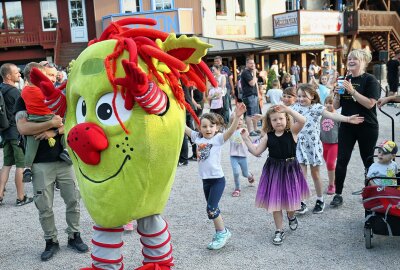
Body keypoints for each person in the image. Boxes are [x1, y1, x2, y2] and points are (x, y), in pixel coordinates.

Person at [15, 93, 89, 261]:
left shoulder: (58, 96)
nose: (50, 78)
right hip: (40, 162)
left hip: (65, 160)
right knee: (44, 206)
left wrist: (53, 131)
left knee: (73, 200)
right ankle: (51, 241)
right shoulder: (24, 99)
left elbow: (72, 122)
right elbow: (23, 128)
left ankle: (74, 236)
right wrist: (51, 124)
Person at [241, 104, 309, 245]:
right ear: (270, 122)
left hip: (290, 171)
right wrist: (246, 139)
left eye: (281, 118)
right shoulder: (268, 136)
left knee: (291, 205)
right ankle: (279, 230)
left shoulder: (293, 132)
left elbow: (303, 121)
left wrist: (288, 110)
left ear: (286, 119)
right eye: (274, 119)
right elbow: (256, 151)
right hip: (274, 171)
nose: (278, 121)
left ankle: (291, 217)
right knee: (275, 203)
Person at [293, 83, 364, 214]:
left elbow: (333, 115)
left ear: (312, 96)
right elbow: (284, 116)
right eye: (299, 96)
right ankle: (301, 202)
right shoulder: (295, 107)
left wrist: (348, 119)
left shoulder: (317, 107)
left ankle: (320, 200)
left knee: (315, 174)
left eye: (304, 96)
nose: (301, 99)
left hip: (313, 145)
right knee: (301, 175)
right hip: (300, 145)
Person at [185, 103, 246, 250]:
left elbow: (231, 132)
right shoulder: (197, 138)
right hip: (206, 181)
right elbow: (183, 126)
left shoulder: (218, 139)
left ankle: (222, 233)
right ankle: (221, 232)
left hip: (218, 180)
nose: (208, 129)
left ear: (217, 128)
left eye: (211, 126)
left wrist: (237, 117)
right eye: (204, 126)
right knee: (212, 208)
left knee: (211, 209)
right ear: (199, 128)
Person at [330, 49, 381, 207]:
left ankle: (371, 191)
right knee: (342, 160)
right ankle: (338, 194)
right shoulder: (344, 79)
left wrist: (352, 91)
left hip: (367, 126)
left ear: (363, 62)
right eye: (349, 58)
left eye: (355, 59)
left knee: (367, 160)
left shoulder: (370, 80)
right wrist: (337, 94)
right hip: (347, 125)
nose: (350, 61)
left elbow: (370, 103)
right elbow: (336, 106)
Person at [20, 63, 71, 183]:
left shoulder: (24, 92)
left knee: (32, 142)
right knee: (64, 127)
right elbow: (53, 95)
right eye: (48, 75)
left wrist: (53, 132)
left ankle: (27, 167)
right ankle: (66, 150)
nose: (50, 79)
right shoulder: (42, 91)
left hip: (33, 118)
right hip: (50, 117)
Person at [0, 63, 33, 206]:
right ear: (8, 76)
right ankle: (21, 197)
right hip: (16, 133)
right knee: (20, 165)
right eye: (16, 72)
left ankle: (0, 194)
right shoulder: (14, 92)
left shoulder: (1, 89)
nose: (19, 74)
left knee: (6, 165)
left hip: (5, 132)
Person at [229, 113, 255, 197]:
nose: (239, 121)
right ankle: (237, 188)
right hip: (233, 156)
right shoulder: (230, 131)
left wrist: (253, 149)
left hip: (243, 156)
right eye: (236, 120)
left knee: (245, 174)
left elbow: (249, 141)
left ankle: (250, 176)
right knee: (236, 173)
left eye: (241, 119)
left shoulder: (244, 130)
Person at [320, 95, 340, 195]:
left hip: (334, 144)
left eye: (331, 103)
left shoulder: (337, 116)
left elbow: (342, 131)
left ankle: (332, 184)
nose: (328, 105)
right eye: (326, 103)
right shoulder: (322, 115)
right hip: (323, 143)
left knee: (330, 163)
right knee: (329, 163)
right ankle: (336, 178)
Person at [241, 58, 260, 136]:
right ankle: (250, 131)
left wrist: (258, 94)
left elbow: (255, 85)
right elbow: (252, 83)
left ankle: (255, 129)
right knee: (249, 114)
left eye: (253, 63)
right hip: (249, 96)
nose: (253, 65)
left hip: (254, 95)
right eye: (251, 63)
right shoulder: (246, 72)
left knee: (255, 113)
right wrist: (255, 74)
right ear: (247, 64)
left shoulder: (251, 72)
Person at [214, 56, 234, 124]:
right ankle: (219, 122)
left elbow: (230, 78)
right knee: (218, 106)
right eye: (215, 61)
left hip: (226, 88)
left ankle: (227, 121)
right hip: (216, 90)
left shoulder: (226, 68)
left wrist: (232, 88)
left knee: (226, 105)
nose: (216, 63)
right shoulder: (212, 69)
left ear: (221, 61)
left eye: (218, 61)